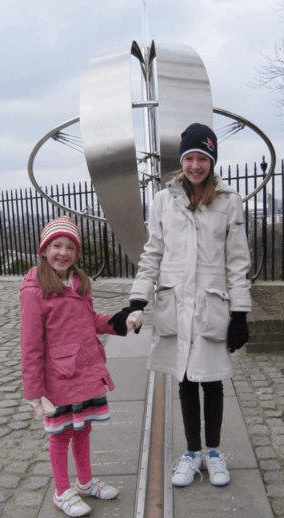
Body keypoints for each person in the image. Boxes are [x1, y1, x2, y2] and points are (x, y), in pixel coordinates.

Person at [109, 123, 251, 488]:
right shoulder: (162, 200)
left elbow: (237, 262)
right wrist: (137, 299)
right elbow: (152, 254)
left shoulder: (229, 201)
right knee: (186, 379)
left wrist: (240, 314)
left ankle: (214, 452)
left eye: (203, 158)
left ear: (212, 161)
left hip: (211, 305)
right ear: (181, 161)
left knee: (213, 380)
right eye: (190, 157)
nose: (196, 165)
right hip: (175, 304)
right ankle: (191, 453)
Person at [20, 216, 142, 517]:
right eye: (56, 246)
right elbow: (31, 345)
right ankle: (62, 492)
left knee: (84, 430)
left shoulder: (79, 282)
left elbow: (90, 321)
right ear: (44, 249)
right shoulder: (35, 290)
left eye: (70, 247)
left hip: (86, 371)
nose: (63, 253)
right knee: (60, 436)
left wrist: (121, 322)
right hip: (59, 377)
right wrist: (34, 393)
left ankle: (85, 483)